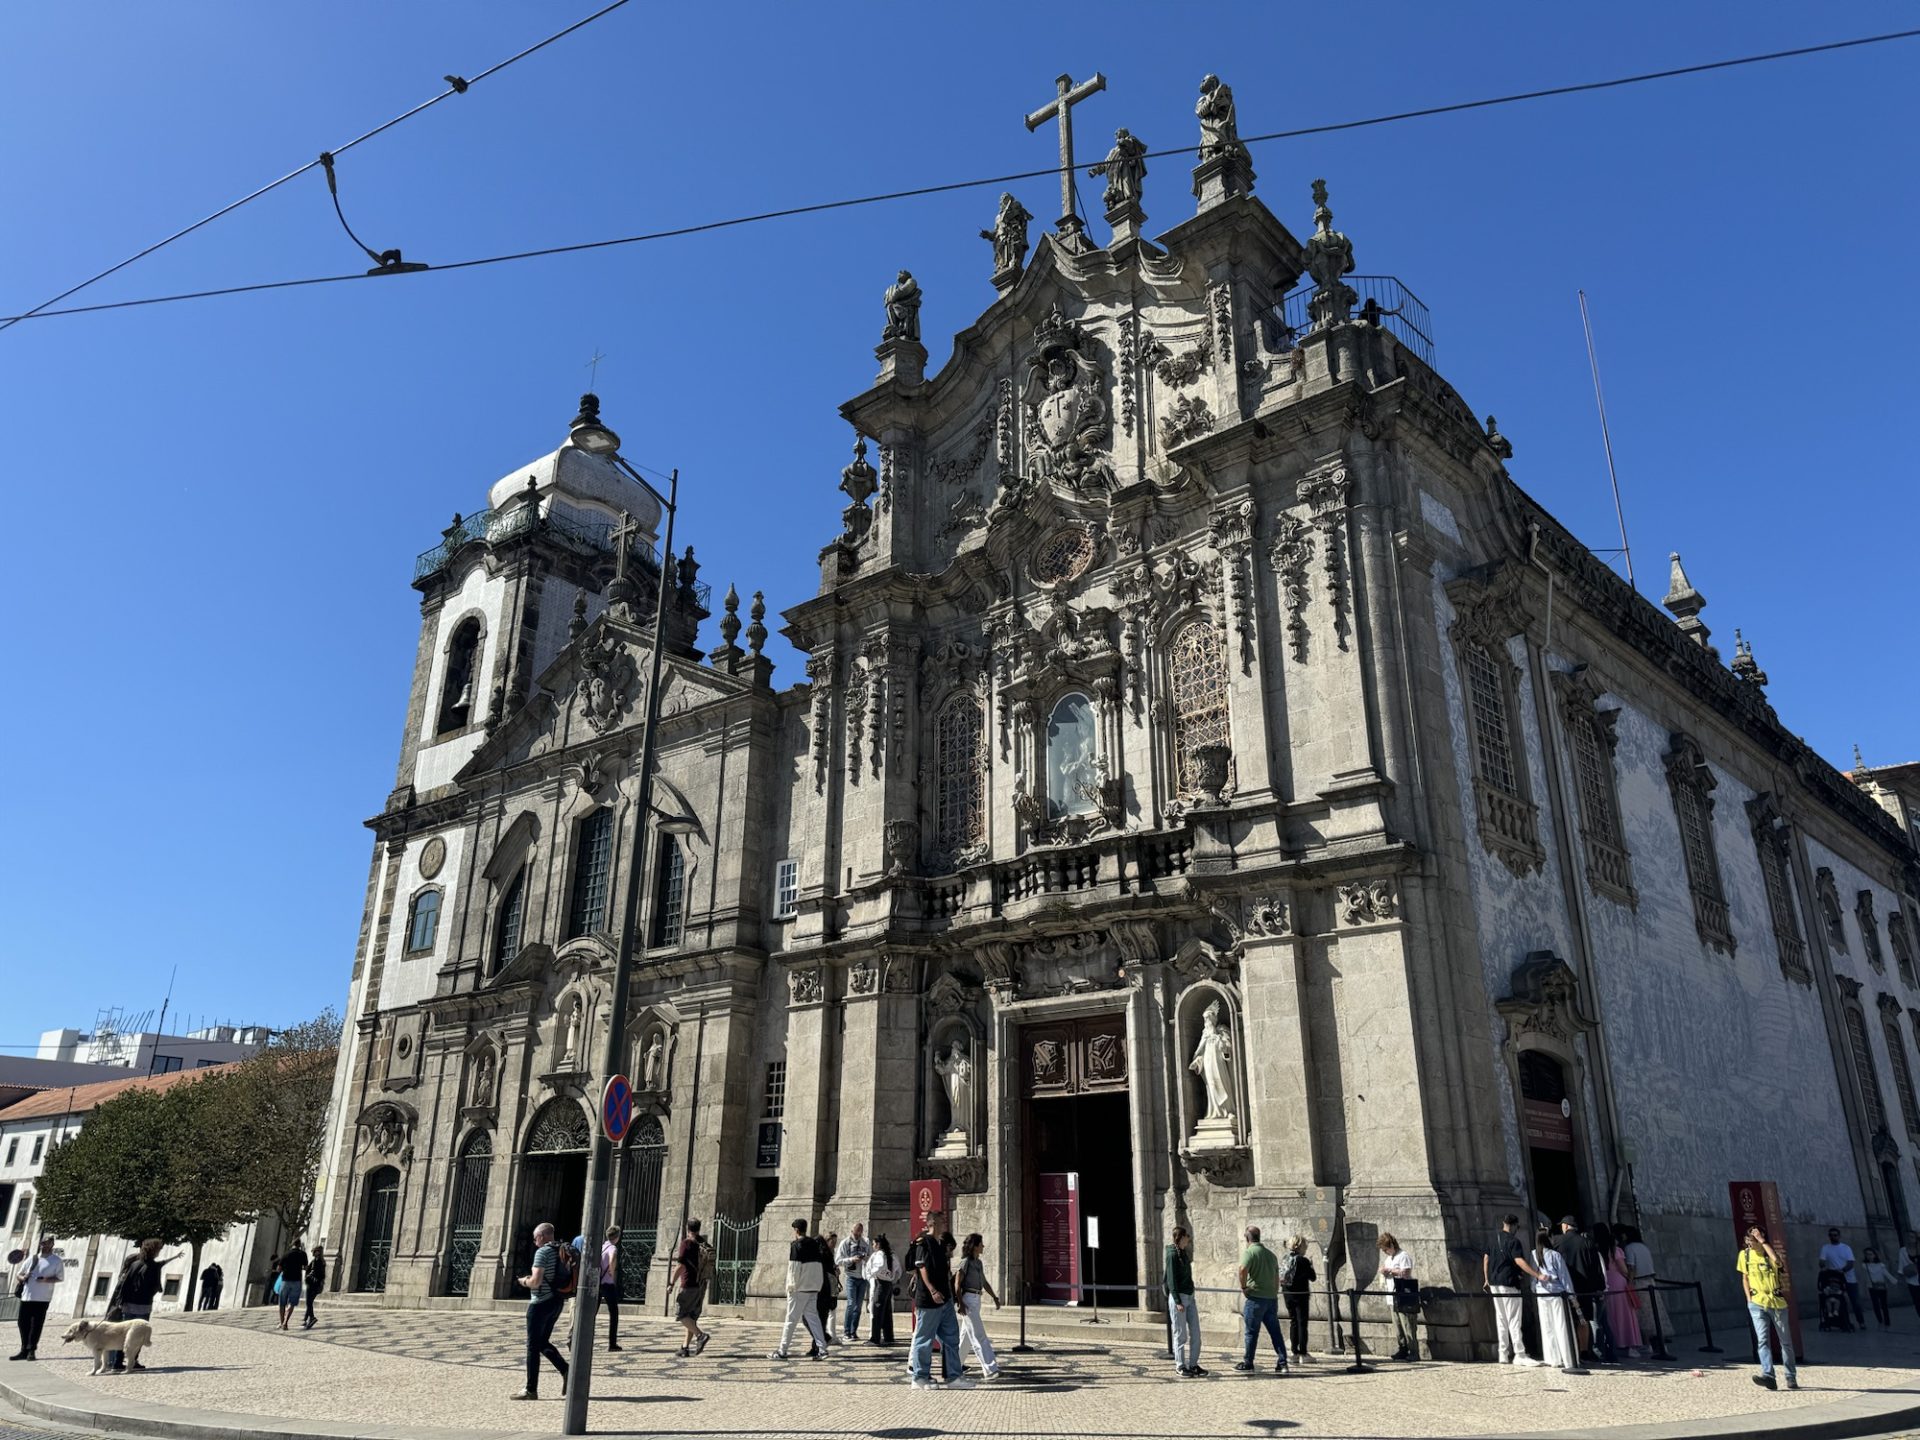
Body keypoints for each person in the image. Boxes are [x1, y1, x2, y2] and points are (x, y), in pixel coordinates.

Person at [905, 1209, 964, 1389]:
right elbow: (921, 1268)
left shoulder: (939, 1243)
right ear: (933, 1223)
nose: (945, 1223)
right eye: (941, 1220)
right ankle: (920, 1377)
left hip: (944, 1300)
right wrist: (932, 1290)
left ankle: (953, 1377)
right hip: (929, 1300)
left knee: (951, 1337)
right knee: (924, 1339)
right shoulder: (924, 1243)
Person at [512, 1222, 569, 1400]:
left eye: (536, 1238)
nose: (535, 1242)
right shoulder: (561, 1250)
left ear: (542, 1236)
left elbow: (536, 1281)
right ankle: (566, 1370)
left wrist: (523, 1281)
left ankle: (531, 1389)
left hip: (540, 1303)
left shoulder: (542, 1252)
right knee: (542, 1342)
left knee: (532, 1346)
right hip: (556, 1302)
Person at [1739, 1224, 1798, 1391]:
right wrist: (1749, 1299)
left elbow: (1778, 1262)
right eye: (1750, 1239)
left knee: (1785, 1341)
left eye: (1755, 1240)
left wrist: (1763, 1241)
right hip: (1757, 1303)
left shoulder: (1769, 1254)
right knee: (1762, 1341)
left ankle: (1790, 1375)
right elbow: (1745, 1278)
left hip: (1776, 1303)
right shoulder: (1744, 1255)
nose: (1752, 1243)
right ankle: (1768, 1375)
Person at [1484, 1214, 1543, 1365]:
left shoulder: (1493, 1239)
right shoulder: (1513, 1241)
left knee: (1501, 1319)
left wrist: (1486, 1279)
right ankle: (1519, 1353)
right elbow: (1519, 1260)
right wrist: (1537, 1275)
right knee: (1514, 1319)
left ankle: (1503, 1354)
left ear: (1504, 1223)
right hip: (1509, 1282)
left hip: (1494, 1283)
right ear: (1515, 1225)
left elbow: (1486, 1258)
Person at [108, 1239, 172, 1372]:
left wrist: (121, 1301)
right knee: (139, 1335)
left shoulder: (134, 1264)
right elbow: (154, 1286)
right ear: (153, 1250)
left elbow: (126, 1283)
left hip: (128, 1304)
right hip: (143, 1304)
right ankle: (133, 1361)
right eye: (158, 1249)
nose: (159, 1251)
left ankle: (116, 1362)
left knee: (124, 1334)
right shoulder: (153, 1266)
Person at [770, 1218, 829, 1361]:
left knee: (791, 1320)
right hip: (813, 1287)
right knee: (813, 1319)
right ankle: (822, 1349)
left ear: (796, 1230)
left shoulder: (797, 1245)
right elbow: (818, 1265)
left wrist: (790, 1287)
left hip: (799, 1289)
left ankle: (782, 1350)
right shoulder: (814, 1244)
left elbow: (794, 1269)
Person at [1557, 1218, 1612, 1364]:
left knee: (1568, 1320)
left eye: (1562, 1225)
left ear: (1566, 1226)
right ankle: (1584, 1351)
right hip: (1585, 1288)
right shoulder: (1587, 1242)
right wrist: (1599, 1287)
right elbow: (1595, 1267)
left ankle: (1571, 1350)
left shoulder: (1558, 1242)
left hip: (1565, 1288)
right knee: (1584, 1320)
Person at [1234, 1225, 1287, 1374]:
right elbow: (1277, 1277)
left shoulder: (1249, 1252)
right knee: (1275, 1332)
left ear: (1247, 1238)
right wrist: (1274, 1292)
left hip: (1255, 1298)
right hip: (1271, 1298)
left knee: (1251, 1332)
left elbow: (1242, 1269)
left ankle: (1248, 1362)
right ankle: (1282, 1362)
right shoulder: (1271, 1255)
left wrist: (1244, 1287)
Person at [952, 1233, 1002, 1380]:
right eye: (981, 1244)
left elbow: (984, 1282)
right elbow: (957, 1284)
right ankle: (990, 1369)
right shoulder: (965, 1262)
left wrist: (994, 1297)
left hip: (977, 1299)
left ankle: (954, 1367)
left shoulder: (978, 1263)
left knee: (966, 1337)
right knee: (978, 1335)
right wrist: (961, 1304)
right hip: (967, 1300)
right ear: (974, 1246)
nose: (983, 1246)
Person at [1532, 1229, 1580, 1374]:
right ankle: (1568, 1358)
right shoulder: (1555, 1255)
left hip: (1541, 1292)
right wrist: (1572, 1296)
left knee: (1548, 1327)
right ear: (1550, 1238)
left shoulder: (1534, 1254)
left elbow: (1533, 1276)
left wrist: (1534, 1288)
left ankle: (1553, 1358)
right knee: (1562, 1325)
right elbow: (1564, 1277)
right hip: (1557, 1293)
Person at [1620, 1225, 1671, 1356]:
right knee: (1655, 1314)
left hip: (1639, 1282)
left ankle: (1647, 1344)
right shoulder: (1644, 1247)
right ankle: (1661, 1343)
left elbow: (1631, 1267)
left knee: (1642, 1315)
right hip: (1650, 1280)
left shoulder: (1629, 1248)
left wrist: (1629, 1282)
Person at [10, 1236, 63, 1361]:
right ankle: (23, 1349)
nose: (44, 1245)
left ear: (52, 1244)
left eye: (46, 1243)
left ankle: (31, 1350)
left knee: (36, 1325)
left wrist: (45, 1280)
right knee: (22, 1323)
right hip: (27, 1296)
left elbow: (59, 1278)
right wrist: (23, 1278)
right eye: (42, 1243)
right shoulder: (33, 1258)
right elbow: (19, 1274)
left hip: (43, 1298)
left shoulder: (56, 1261)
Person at [1594, 1223, 1642, 1358]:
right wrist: (1629, 1276)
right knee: (1625, 1315)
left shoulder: (1597, 1249)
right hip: (1618, 1283)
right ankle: (1629, 1344)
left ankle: (1614, 1343)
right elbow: (1623, 1269)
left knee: (1611, 1315)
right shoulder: (1615, 1250)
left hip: (1606, 1282)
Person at [1165, 1225, 1203, 1376]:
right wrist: (1177, 1300)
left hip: (1189, 1297)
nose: (1189, 1239)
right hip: (1179, 1298)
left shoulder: (1183, 1252)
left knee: (1196, 1333)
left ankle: (1193, 1364)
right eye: (1187, 1236)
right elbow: (1171, 1279)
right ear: (1181, 1237)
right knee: (1180, 1334)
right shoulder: (1172, 1254)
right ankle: (1180, 1365)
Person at [674, 1219, 712, 1357]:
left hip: (688, 1283)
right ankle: (685, 1348)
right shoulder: (703, 1243)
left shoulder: (686, 1243)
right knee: (691, 1316)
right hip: (700, 1284)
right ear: (699, 1228)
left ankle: (700, 1335)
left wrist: (671, 1283)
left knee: (681, 1314)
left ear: (686, 1228)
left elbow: (680, 1265)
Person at [1819, 1226, 1865, 1329]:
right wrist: (1823, 1268)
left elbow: (1851, 1262)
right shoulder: (1825, 1248)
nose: (1833, 1237)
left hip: (1849, 1279)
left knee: (1855, 1301)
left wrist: (1843, 1270)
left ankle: (1861, 1322)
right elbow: (1822, 1261)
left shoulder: (1846, 1248)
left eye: (1835, 1235)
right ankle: (1842, 1322)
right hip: (1835, 1281)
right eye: (1830, 1235)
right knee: (1836, 1301)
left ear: (1839, 1236)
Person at [1282, 1236, 1315, 1364]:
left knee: (1293, 1322)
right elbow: (1313, 1278)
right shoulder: (1303, 1260)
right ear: (1300, 1246)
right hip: (1301, 1295)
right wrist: (1311, 1266)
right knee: (1302, 1323)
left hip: (1288, 1295)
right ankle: (1303, 1353)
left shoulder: (1286, 1259)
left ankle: (1294, 1352)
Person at [837, 1223, 873, 1340]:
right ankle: (846, 1332)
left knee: (858, 1306)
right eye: (855, 1232)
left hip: (862, 1277)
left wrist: (865, 1258)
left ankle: (853, 1331)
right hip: (851, 1277)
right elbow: (838, 1260)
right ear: (851, 1231)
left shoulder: (865, 1242)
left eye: (859, 1232)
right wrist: (851, 1259)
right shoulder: (845, 1243)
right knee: (851, 1304)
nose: (857, 1234)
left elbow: (871, 1257)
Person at [594, 1225, 623, 1352]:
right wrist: (611, 1271)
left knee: (592, 1312)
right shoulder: (612, 1247)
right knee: (614, 1313)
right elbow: (612, 1258)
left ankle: (583, 1336)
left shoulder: (601, 1247)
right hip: (608, 1283)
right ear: (617, 1237)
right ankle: (612, 1343)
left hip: (598, 1282)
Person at [275, 1237, 309, 1332]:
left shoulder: (286, 1254)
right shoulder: (303, 1254)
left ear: (292, 1244)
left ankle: (282, 1323)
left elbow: (279, 1268)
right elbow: (306, 1267)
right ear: (300, 1245)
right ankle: (286, 1322)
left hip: (285, 1280)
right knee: (292, 1303)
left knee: (282, 1302)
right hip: (297, 1280)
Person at [816, 1231, 841, 1350]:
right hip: (827, 1285)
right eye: (833, 1242)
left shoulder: (831, 1252)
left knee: (832, 1310)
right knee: (828, 1311)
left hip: (832, 1284)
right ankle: (828, 1336)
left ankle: (831, 1335)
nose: (834, 1244)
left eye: (835, 1242)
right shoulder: (824, 1253)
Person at [1863, 1248, 1893, 1328]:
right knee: (1875, 1305)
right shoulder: (1865, 1266)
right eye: (1867, 1254)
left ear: (1874, 1255)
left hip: (1881, 1286)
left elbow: (1886, 1274)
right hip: (1871, 1287)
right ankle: (1880, 1320)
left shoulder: (1880, 1265)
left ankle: (1887, 1321)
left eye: (1870, 1254)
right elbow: (1865, 1278)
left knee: (1884, 1305)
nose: (1869, 1256)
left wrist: (1895, 1281)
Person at [303, 1244, 326, 1329]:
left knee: (309, 1302)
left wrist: (308, 1274)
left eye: (314, 1251)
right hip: (316, 1284)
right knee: (309, 1302)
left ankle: (312, 1318)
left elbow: (315, 1273)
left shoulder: (316, 1261)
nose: (312, 1252)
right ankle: (306, 1319)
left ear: (317, 1252)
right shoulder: (321, 1261)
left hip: (312, 1284)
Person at [1898, 1232, 1920, 1322]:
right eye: (1908, 1237)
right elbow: (1901, 1264)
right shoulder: (1903, 1250)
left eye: (1912, 1237)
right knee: (1917, 1301)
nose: (1910, 1239)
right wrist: (1900, 1276)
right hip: (1912, 1279)